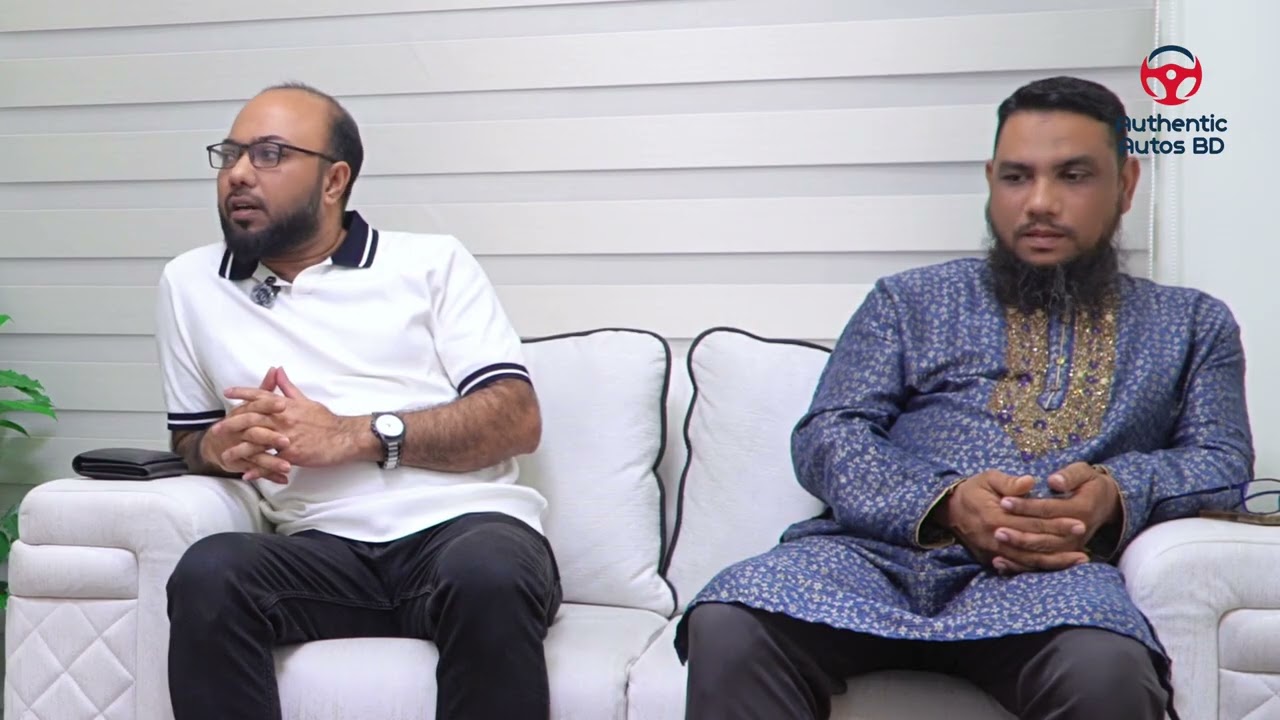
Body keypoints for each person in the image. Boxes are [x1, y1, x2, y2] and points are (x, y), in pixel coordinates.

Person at [677, 76, 1254, 720]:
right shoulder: (908, 301)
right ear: (990, 181)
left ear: (1124, 184)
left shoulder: (1191, 324)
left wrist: (1116, 494)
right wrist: (944, 503)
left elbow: (1221, 461)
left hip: (1052, 582)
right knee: (731, 620)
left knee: (1107, 672)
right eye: (1016, 177)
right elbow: (829, 434)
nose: (1040, 202)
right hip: (873, 562)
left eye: (1073, 176)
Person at [156, 83, 561, 720]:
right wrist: (218, 447)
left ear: (334, 180)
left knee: (489, 573)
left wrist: (353, 435)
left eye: (268, 154)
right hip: (319, 552)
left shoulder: (431, 262)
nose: (237, 174)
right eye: (230, 154)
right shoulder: (189, 283)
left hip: (464, 530)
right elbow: (190, 440)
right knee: (210, 572)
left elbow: (515, 416)